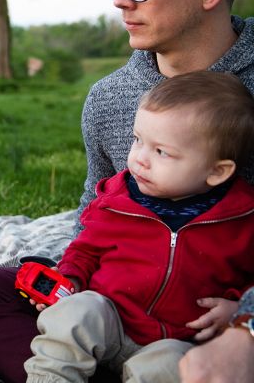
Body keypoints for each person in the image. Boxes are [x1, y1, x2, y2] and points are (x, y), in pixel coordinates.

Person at [0, 0, 254, 383]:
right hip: (119, 300)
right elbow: (95, 210)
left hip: (208, 313)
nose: (120, 0)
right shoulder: (110, 98)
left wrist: (245, 323)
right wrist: (72, 281)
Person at [24, 71, 254, 383]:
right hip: (110, 318)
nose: (139, 159)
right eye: (138, 140)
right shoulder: (117, 201)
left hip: (176, 339)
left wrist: (237, 310)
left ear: (217, 171)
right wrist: (70, 279)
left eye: (161, 152)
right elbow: (85, 249)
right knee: (74, 313)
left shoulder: (242, 221)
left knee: (172, 367)